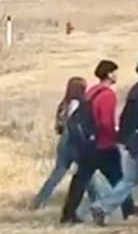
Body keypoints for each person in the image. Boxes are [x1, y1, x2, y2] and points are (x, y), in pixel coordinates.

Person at [89, 56, 138, 226]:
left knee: (130, 179)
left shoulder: (136, 90)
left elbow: (127, 116)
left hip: (131, 142)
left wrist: (125, 139)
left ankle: (102, 207)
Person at [60, 61, 138, 224]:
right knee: (119, 178)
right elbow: (106, 122)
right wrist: (116, 137)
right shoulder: (107, 94)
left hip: (88, 144)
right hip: (103, 144)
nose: (116, 75)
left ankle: (68, 214)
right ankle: (127, 208)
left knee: (81, 180)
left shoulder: (91, 91)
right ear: (110, 74)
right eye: (115, 72)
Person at [32, 77, 107, 213]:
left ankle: (39, 202)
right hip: (76, 142)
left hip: (63, 142)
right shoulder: (81, 104)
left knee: (57, 174)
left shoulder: (64, 104)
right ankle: (98, 202)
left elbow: (59, 127)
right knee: (86, 172)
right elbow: (78, 125)